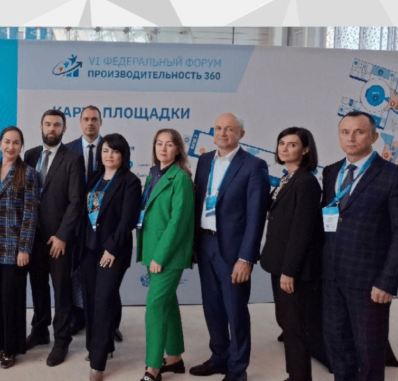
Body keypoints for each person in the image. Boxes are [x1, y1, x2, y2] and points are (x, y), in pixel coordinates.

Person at [321, 111, 398, 381]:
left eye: (359, 132)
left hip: (370, 282)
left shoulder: (393, 176)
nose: (351, 138)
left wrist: (388, 281)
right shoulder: (331, 172)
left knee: (369, 351)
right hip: (332, 278)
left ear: (374, 137)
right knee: (338, 345)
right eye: (345, 132)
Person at [189, 113, 270, 381]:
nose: (222, 133)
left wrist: (246, 258)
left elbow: (256, 216)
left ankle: (237, 369)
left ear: (241, 134)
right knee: (212, 307)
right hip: (205, 243)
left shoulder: (254, 165)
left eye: (229, 129)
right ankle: (219, 357)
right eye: (218, 128)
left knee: (235, 310)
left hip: (234, 251)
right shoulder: (204, 161)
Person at [21, 109, 84, 367]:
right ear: (41, 127)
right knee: (38, 286)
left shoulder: (73, 159)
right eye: (47, 124)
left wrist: (62, 236)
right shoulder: (30, 155)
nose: (51, 129)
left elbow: (76, 201)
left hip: (59, 239)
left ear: (64, 129)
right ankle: (39, 331)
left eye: (56, 125)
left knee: (61, 290)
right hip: (33, 237)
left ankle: (62, 340)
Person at [260, 127, 323, 381]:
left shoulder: (306, 182)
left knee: (295, 327)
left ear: (306, 150)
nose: (284, 149)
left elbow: (301, 231)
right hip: (279, 263)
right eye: (281, 143)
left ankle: (300, 377)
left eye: (292, 144)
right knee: (287, 323)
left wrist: (289, 271)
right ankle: (294, 375)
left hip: (292, 269)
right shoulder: (287, 178)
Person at [77, 133, 140, 381]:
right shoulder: (94, 178)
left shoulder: (130, 181)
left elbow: (127, 221)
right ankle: (99, 346)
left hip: (113, 251)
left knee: (103, 301)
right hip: (89, 249)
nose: (109, 155)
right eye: (105, 150)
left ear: (123, 155)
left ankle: (98, 362)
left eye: (114, 151)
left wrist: (112, 249)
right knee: (91, 301)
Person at [137, 129, 195, 381]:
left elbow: (177, 223)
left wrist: (160, 256)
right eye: (159, 143)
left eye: (169, 144)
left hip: (168, 254)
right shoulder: (153, 175)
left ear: (178, 149)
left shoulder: (180, 179)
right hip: (152, 249)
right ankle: (174, 359)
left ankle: (153, 367)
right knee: (167, 303)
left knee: (155, 306)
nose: (163, 148)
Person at [64, 105, 121, 342]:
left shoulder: (110, 149)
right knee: (76, 274)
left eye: (94, 119)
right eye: (86, 119)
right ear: (80, 122)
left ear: (100, 122)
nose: (90, 123)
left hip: (104, 226)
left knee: (107, 277)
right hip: (74, 223)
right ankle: (79, 318)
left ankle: (111, 324)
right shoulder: (68, 149)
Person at [0, 126, 38, 369]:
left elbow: (30, 214)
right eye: (7, 141)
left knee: (12, 300)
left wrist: (24, 248)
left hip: (15, 248)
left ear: (21, 146)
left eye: (16, 142)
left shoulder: (28, 173)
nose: (11, 146)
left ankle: (11, 348)